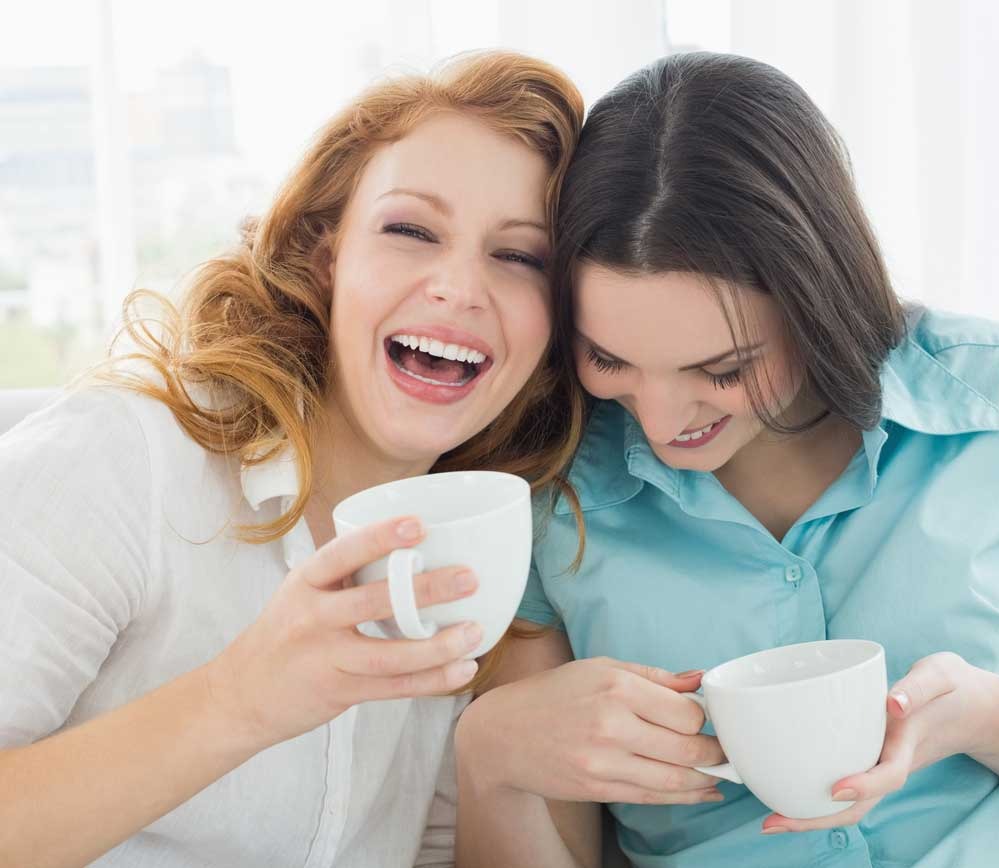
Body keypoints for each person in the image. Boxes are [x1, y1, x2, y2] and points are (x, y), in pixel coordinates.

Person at [454, 52, 999, 868]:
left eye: (723, 369)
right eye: (609, 358)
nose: (660, 422)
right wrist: (489, 759)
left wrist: (991, 718)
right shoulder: (543, 492)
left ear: (816, 299)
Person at [0, 50, 583, 867]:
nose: (458, 286)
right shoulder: (125, 460)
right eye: (411, 230)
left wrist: (498, 764)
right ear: (327, 257)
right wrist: (238, 700)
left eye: (519, 256)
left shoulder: (493, 560)